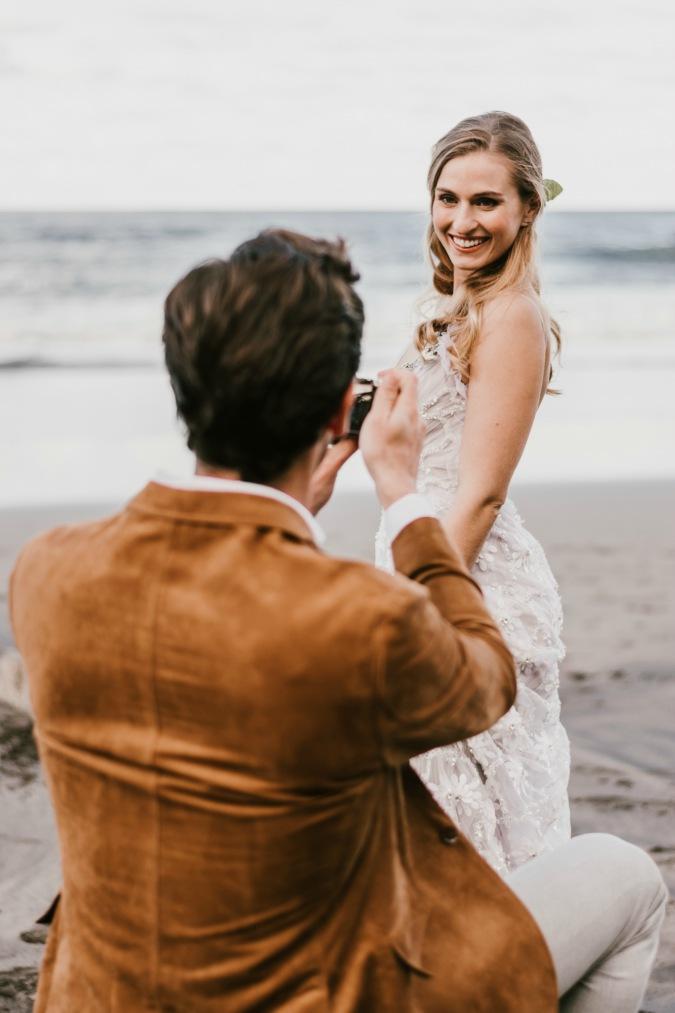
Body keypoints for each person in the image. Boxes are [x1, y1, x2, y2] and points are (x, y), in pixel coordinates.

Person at [10, 230, 665, 1011]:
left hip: (106, 990)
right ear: (335, 411)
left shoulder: (46, 572)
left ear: (182, 384)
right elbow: (485, 676)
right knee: (626, 877)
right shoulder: (359, 619)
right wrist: (404, 496)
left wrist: (287, 509)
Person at [376, 111, 571, 875]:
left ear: (526, 209)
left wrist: (418, 602)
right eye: (447, 198)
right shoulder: (457, 308)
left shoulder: (512, 314)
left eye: (485, 201)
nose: (461, 220)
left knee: (468, 808)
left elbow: (482, 493)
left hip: (469, 572)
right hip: (427, 548)